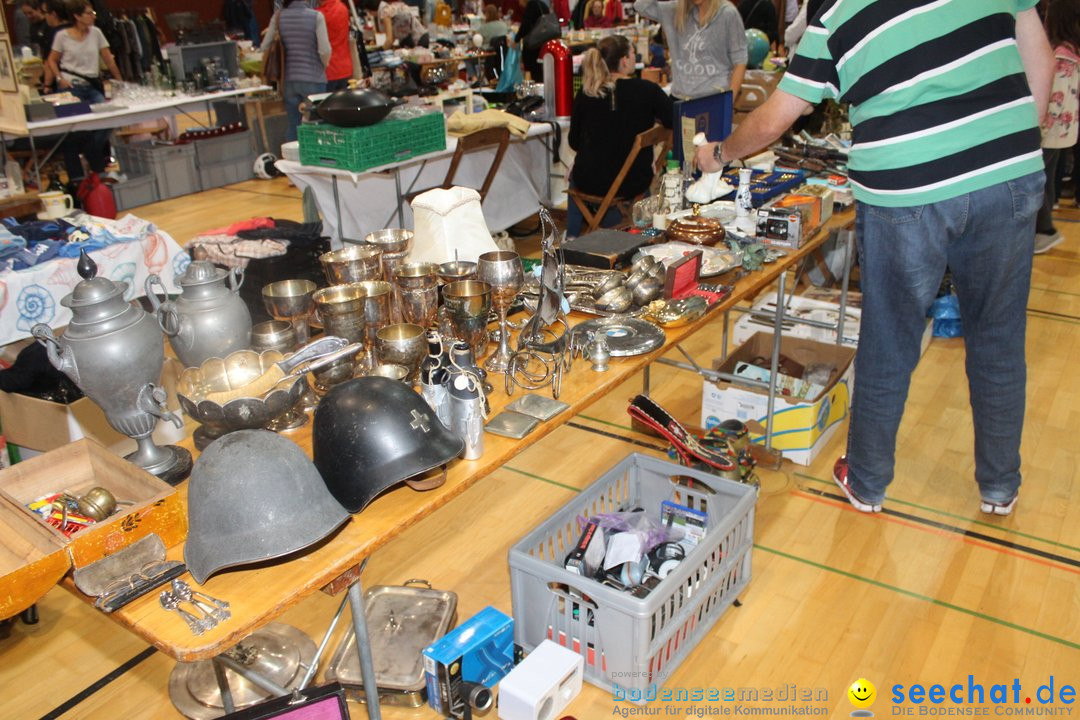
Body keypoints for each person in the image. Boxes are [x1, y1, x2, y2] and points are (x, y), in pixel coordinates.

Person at [695, 0, 1054, 517]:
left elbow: (777, 117)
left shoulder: (836, 10)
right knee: (998, 336)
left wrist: (721, 153)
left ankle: (866, 481)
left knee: (890, 337)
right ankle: (999, 486)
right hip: (1008, 171)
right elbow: (1037, 54)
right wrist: (1015, 142)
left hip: (906, 187)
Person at [567, 34, 673, 236]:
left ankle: (571, 235)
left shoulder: (586, 92)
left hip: (590, 180)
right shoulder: (647, 90)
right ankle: (638, 226)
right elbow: (672, 119)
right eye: (633, 53)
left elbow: (574, 142)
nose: (635, 58)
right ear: (625, 60)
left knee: (575, 171)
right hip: (633, 180)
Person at [46, 0, 121, 184]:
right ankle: (85, 174)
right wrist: (58, 78)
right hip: (72, 86)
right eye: (88, 13)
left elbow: (108, 59)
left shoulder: (96, 33)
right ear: (77, 16)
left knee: (107, 119)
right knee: (77, 130)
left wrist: (119, 80)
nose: (92, 16)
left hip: (93, 84)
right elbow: (52, 60)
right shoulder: (62, 36)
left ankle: (90, 154)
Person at [1034, 0, 1080, 254]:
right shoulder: (1072, 50)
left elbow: (1056, 97)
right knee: (1047, 180)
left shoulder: (1061, 54)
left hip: (1051, 131)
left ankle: (1044, 230)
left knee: (1039, 181)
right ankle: (1045, 226)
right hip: (1064, 131)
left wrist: (1039, 128)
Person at [633, 0, 746, 100]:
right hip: (680, 99)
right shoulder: (673, 10)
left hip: (713, 99)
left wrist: (729, 102)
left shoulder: (727, 13)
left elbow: (740, 60)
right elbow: (641, 5)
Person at [262, 0, 332, 142]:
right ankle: (316, 158)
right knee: (317, 125)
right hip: (314, 77)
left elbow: (265, 46)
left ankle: (292, 159)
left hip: (288, 80)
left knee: (294, 124)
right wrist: (324, 65)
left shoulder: (278, 17)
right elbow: (325, 50)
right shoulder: (316, 17)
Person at [317, 0, 354, 91]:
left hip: (327, 70)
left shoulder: (319, 15)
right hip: (345, 67)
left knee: (328, 103)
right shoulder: (343, 8)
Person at [514, 0, 550, 80]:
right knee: (542, 70)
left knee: (533, 70)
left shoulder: (531, 6)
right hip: (544, 41)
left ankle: (534, 89)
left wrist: (516, 39)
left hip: (534, 44)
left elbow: (525, 26)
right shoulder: (543, 5)